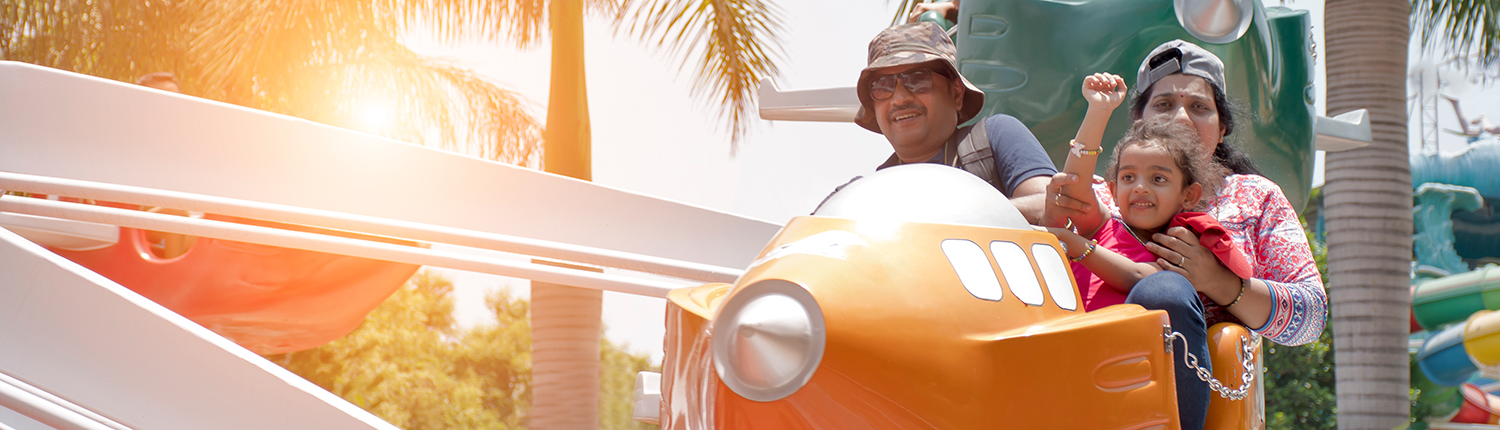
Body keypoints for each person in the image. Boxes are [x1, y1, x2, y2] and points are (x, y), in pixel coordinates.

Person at [1042, 40, 1326, 430]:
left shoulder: (1256, 197)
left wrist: (1219, 282)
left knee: (1163, 294)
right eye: (1163, 105)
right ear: (1138, 122)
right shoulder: (1111, 194)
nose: (1180, 118)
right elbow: (1065, 210)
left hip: (1206, 406)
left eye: (1199, 107)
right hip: (1090, 386)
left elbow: (1310, 316)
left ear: (1223, 128)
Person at [1047, 73, 1247, 312]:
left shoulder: (1180, 244)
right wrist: (1099, 110)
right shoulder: (1099, 227)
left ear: (1189, 196)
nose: (1140, 187)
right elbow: (1074, 187)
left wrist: (1077, 245)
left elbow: (1141, 277)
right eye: (1128, 177)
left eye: (1158, 179)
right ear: (1113, 191)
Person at [842, 22, 1055, 222]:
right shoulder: (867, 193)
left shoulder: (996, 136)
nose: (899, 98)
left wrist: (946, 217)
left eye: (917, 80)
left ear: (956, 94)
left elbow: (1048, 205)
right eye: (882, 86)